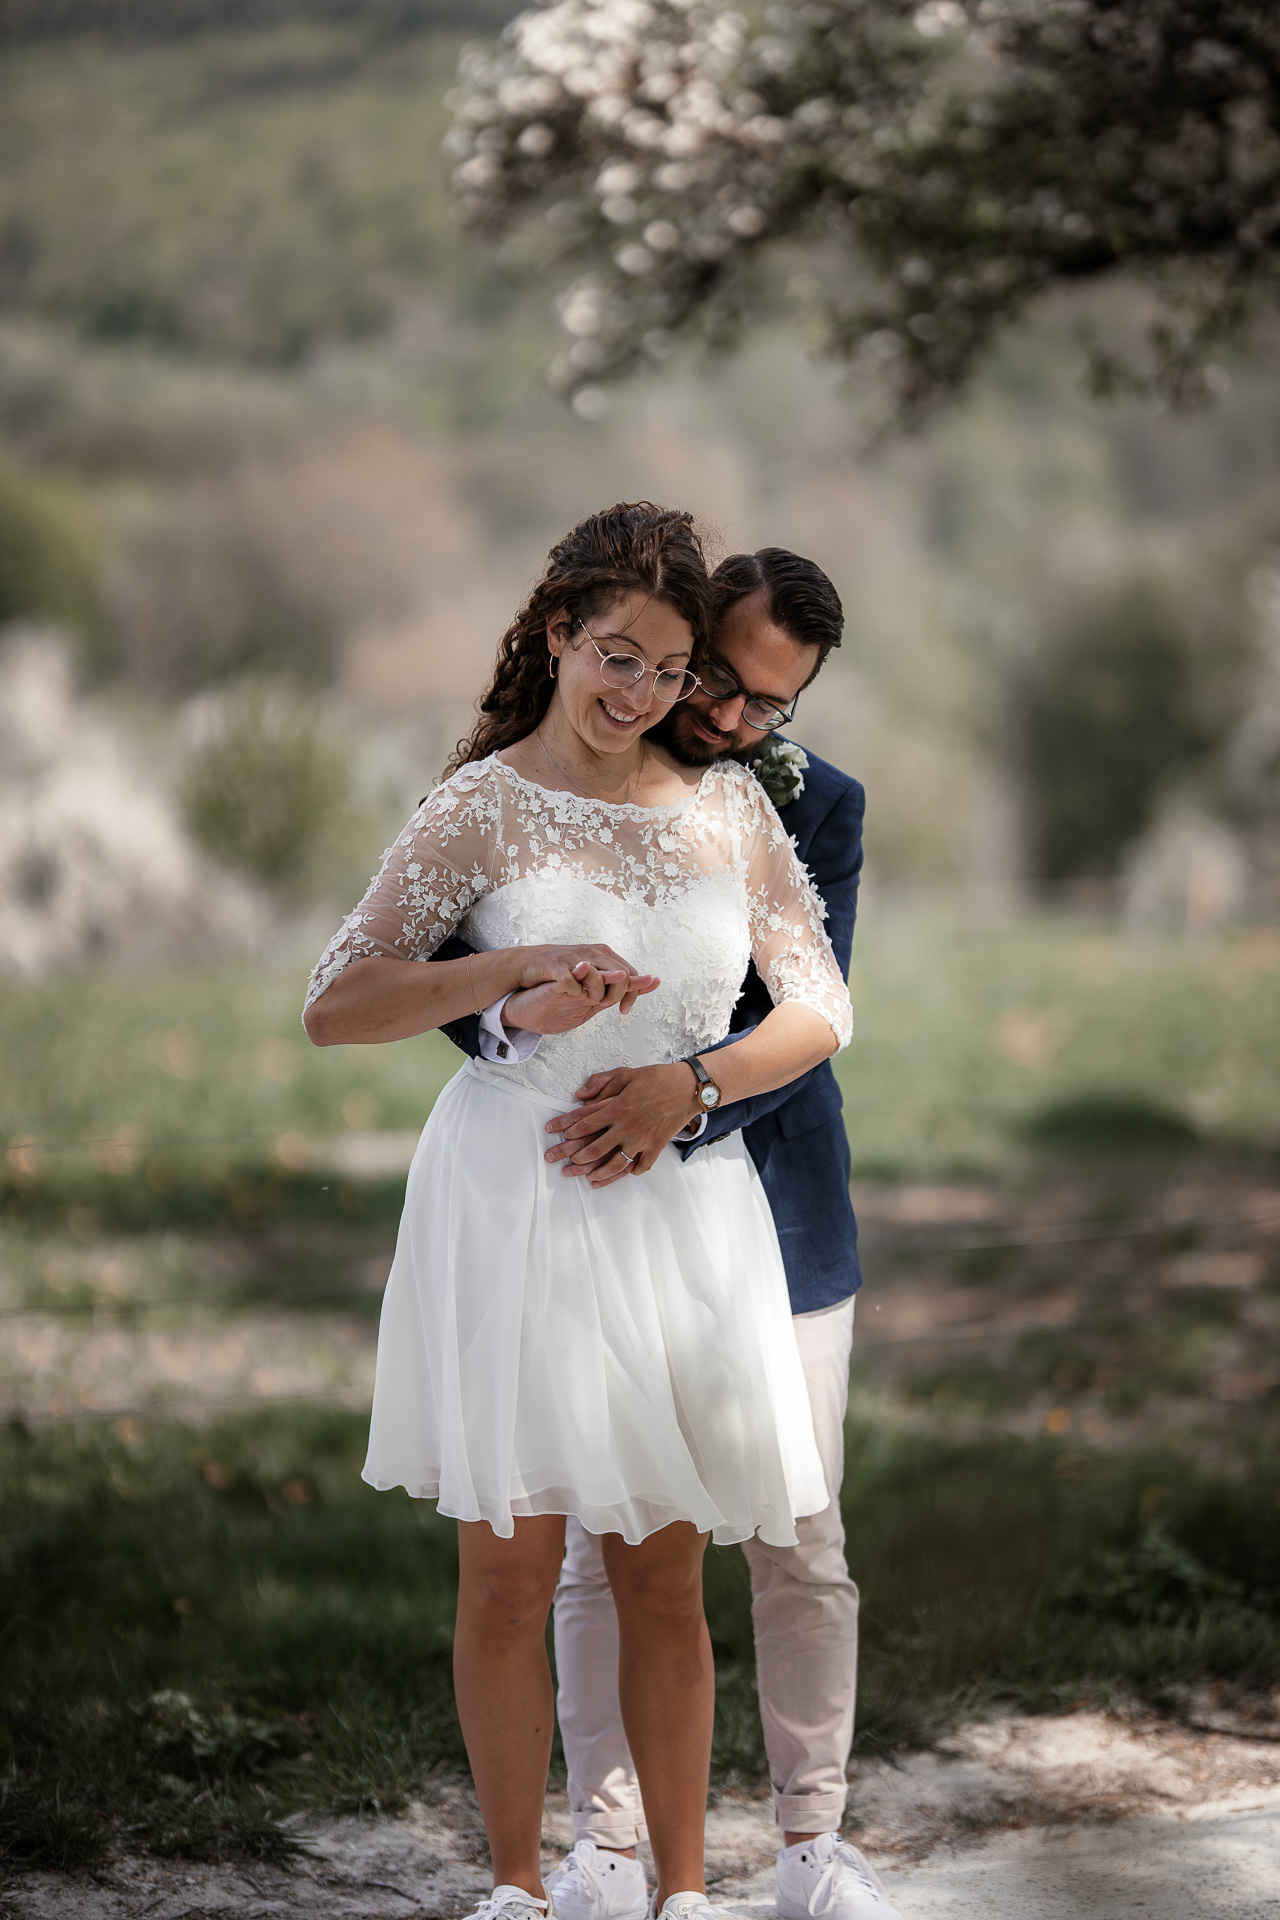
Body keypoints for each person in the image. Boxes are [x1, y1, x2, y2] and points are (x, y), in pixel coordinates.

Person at [302, 504, 853, 1920]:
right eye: (620, 656)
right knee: (507, 1574)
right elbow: (339, 1001)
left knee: (666, 1581)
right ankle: (519, 1889)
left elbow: (823, 1008)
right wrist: (513, 976)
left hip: (677, 1214)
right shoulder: (479, 805)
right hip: (515, 1204)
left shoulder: (731, 810)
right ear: (558, 633)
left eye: (670, 671)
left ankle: (682, 1897)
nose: (642, 696)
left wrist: (692, 1080)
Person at [441, 550, 902, 1920]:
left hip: (774, 1202)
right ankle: (608, 1850)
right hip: (587, 1193)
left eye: (770, 705)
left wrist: (677, 1105)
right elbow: (483, 972)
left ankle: (813, 1849)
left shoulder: (819, 809)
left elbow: (806, 1018)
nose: (730, 718)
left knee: (801, 1536)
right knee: (604, 1537)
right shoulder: (552, 777)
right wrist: (526, 1031)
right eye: (717, 679)